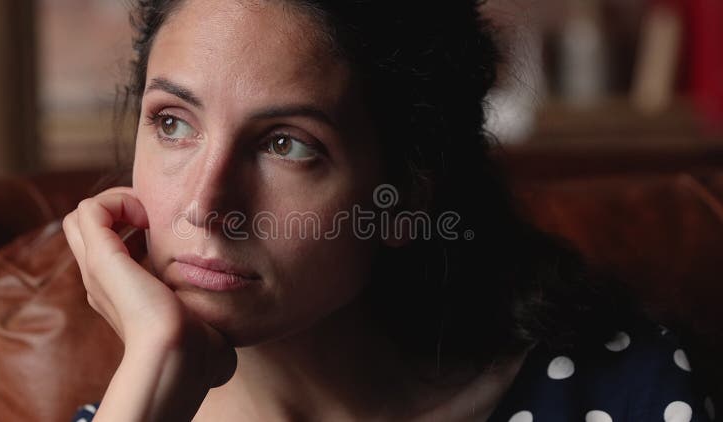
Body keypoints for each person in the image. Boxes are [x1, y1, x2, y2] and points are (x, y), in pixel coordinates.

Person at [63, 0, 713, 421]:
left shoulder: (618, 393)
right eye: (173, 124)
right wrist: (154, 370)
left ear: (404, 195)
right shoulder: (133, 408)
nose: (206, 206)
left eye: (287, 144)